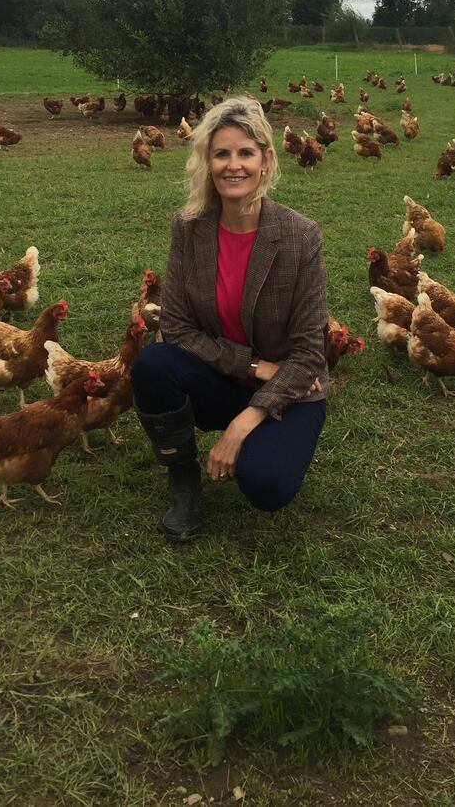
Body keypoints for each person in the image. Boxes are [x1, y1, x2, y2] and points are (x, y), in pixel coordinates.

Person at [131, 96, 329, 541]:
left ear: (266, 160)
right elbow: (177, 327)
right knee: (153, 365)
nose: (233, 165)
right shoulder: (190, 226)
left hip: (291, 390)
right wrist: (254, 367)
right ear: (207, 161)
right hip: (222, 378)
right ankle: (183, 478)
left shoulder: (301, 236)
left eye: (245, 152)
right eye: (221, 153)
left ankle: (257, 439)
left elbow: (310, 355)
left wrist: (244, 423)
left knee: (267, 486)